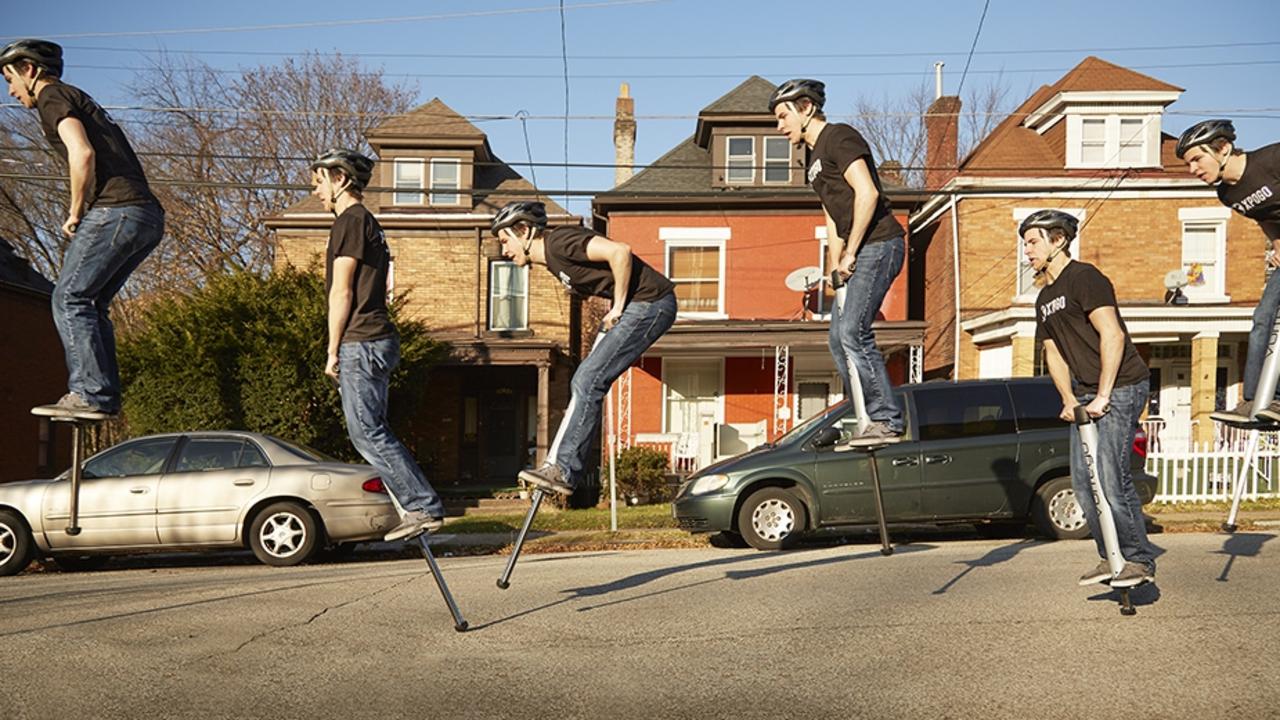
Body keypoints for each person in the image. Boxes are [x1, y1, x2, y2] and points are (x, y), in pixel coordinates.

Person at [2, 39, 164, 420]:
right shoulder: (77, 96)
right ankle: (103, 395)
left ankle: (90, 391)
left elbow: (82, 152)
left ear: (29, 70)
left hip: (117, 209)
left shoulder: (52, 96)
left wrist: (75, 210)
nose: (10, 91)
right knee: (92, 303)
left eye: (9, 79)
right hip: (146, 216)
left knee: (68, 298)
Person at [491, 201, 677, 496]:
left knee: (588, 380)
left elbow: (620, 252)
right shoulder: (554, 263)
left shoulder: (560, 242)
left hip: (650, 304)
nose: (504, 251)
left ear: (524, 231)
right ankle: (560, 466)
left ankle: (563, 470)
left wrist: (617, 306)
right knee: (585, 380)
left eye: (505, 241)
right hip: (640, 307)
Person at [311, 148, 445, 542]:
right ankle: (415, 503)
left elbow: (342, 291)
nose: (316, 191)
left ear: (339, 178)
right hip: (376, 339)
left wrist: (332, 349)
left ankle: (422, 505)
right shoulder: (368, 223)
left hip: (361, 340)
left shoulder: (350, 222)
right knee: (372, 429)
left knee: (367, 431)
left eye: (319, 182)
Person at [1023, 209, 1155, 588]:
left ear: (1058, 240)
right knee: (1083, 485)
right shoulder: (1045, 297)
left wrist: (1103, 395)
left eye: (1033, 242)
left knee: (1111, 477)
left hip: (1123, 385)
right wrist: (1068, 398)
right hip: (1083, 393)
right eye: (1026, 243)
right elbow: (1053, 352)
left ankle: (1138, 559)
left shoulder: (1085, 278)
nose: (1027, 251)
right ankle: (1110, 554)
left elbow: (1111, 335)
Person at [770, 78, 904, 446]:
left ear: (806, 108)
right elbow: (831, 216)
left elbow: (868, 192)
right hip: (857, 252)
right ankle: (864, 415)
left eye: (783, 117)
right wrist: (835, 267)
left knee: (853, 333)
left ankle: (886, 419)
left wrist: (851, 252)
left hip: (880, 243)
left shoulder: (840, 137)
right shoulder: (812, 159)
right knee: (836, 340)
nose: (779, 127)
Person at [1177, 120, 1280, 425]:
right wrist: (1275, 242)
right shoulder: (1228, 195)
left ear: (1223, 148)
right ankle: (1257, 399)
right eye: (1187, 164)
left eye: (1197, 159)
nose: (1192, 170)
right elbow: (1264, 215)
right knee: (1263, 319)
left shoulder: (1272, 160)